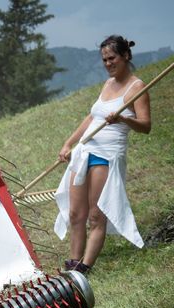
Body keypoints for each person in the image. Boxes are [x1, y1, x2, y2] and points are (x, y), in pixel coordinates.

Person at [54, 35, 151, 273]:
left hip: (107, 155)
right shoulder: (108, 84)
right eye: (105, 59)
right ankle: (73, 263)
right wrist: (68, 143)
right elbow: (92, 117)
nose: (108, 63)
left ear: (126, 56)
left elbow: (146, 126)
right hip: (85, 150)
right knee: (77, 213)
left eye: (112, 58)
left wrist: (123, 119)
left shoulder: (136, 88)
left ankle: (84, 268)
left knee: (96, 216)